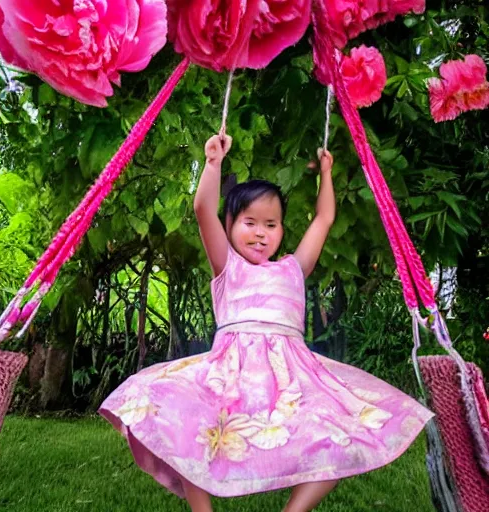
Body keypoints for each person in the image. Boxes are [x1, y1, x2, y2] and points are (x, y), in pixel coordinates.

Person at [99, 134, 434, 512]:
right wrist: (212, 164)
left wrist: (325, 172)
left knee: (342, 432)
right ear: (230, 225)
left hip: (291, 376)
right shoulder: (227, 265)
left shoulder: (294, 268)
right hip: (230, 373)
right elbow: (202, 210)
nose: (260, 232)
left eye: (271, 224)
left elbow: (324, 219)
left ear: (281, 231)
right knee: (188, 427)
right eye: (249, 222)